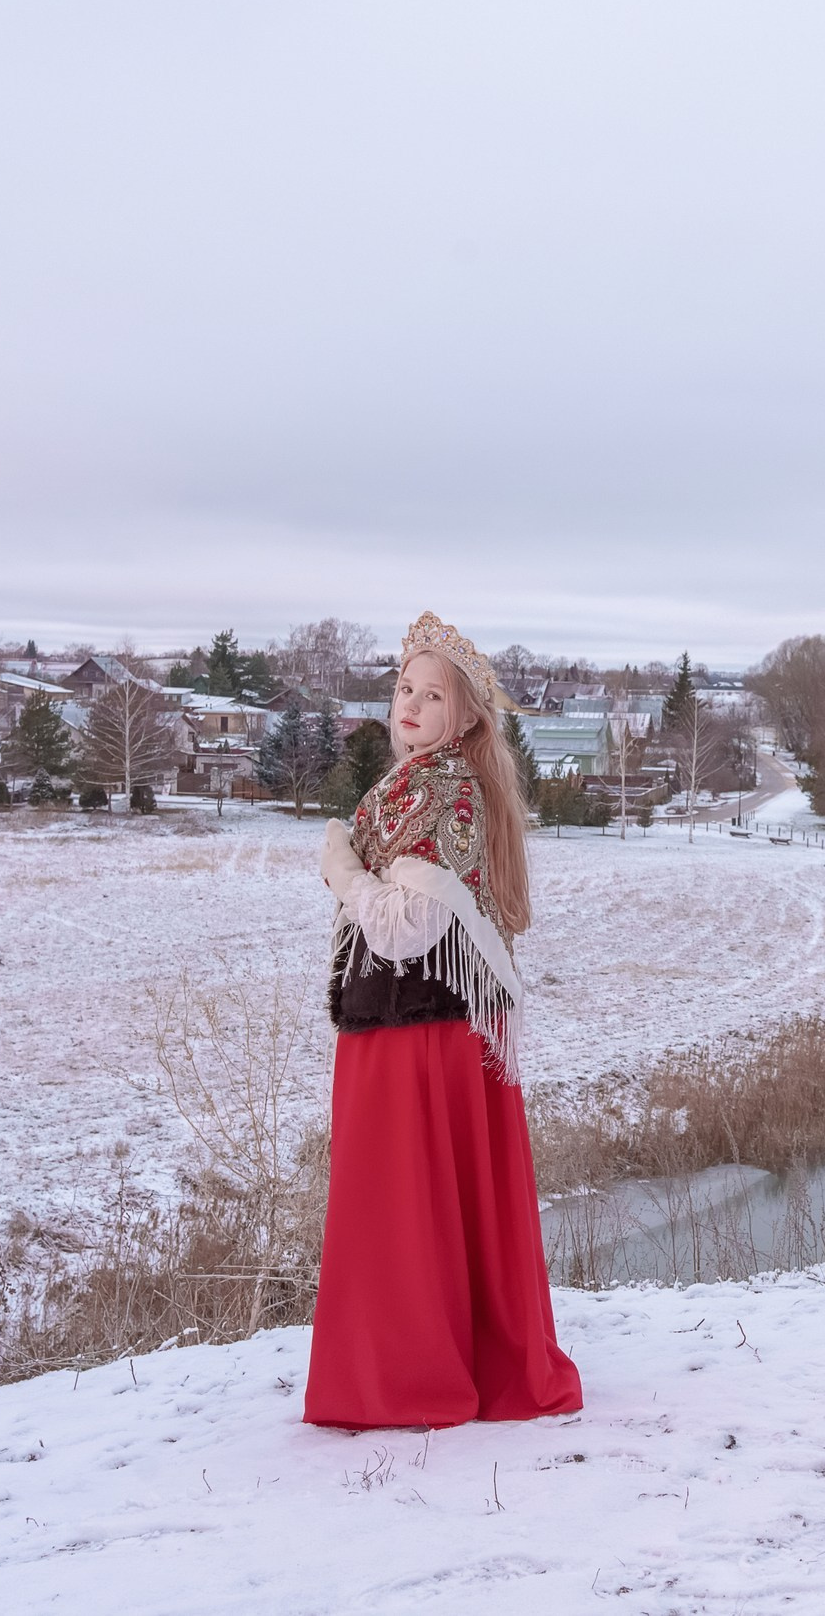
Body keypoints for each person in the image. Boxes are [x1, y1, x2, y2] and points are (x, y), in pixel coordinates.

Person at [302, 611, 582, 1428]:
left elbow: (404, 927)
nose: (411, 706)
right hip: (418, 1029)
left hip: (418, 1034)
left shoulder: (440, 792)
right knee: (418, 1208)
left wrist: (341, 869)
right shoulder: (416, 784)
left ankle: (410, 1378)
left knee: (403, 1208)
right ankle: (430, 1362)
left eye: (433, 695)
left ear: (464, 718)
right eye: (404, 688)